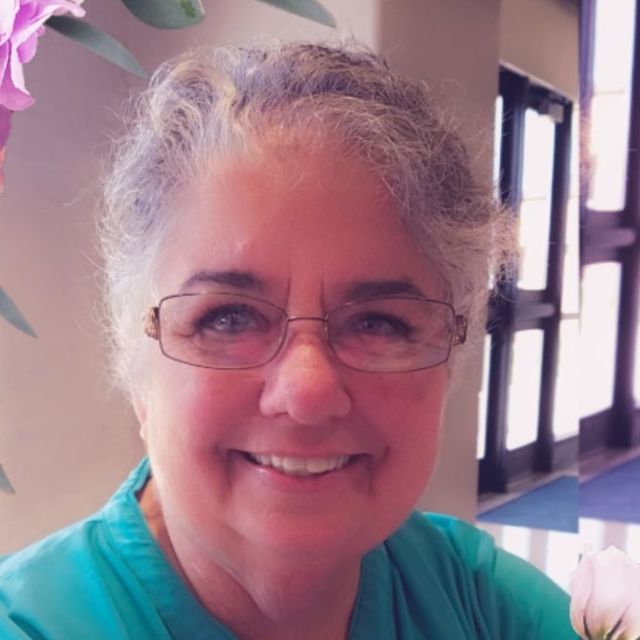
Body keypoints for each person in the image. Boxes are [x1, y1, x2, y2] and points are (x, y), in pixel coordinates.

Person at [0, 42, 577, 639]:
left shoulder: (487, 608)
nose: (307, 391)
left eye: (379, 322)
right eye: (228, 318)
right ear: (137, 364)